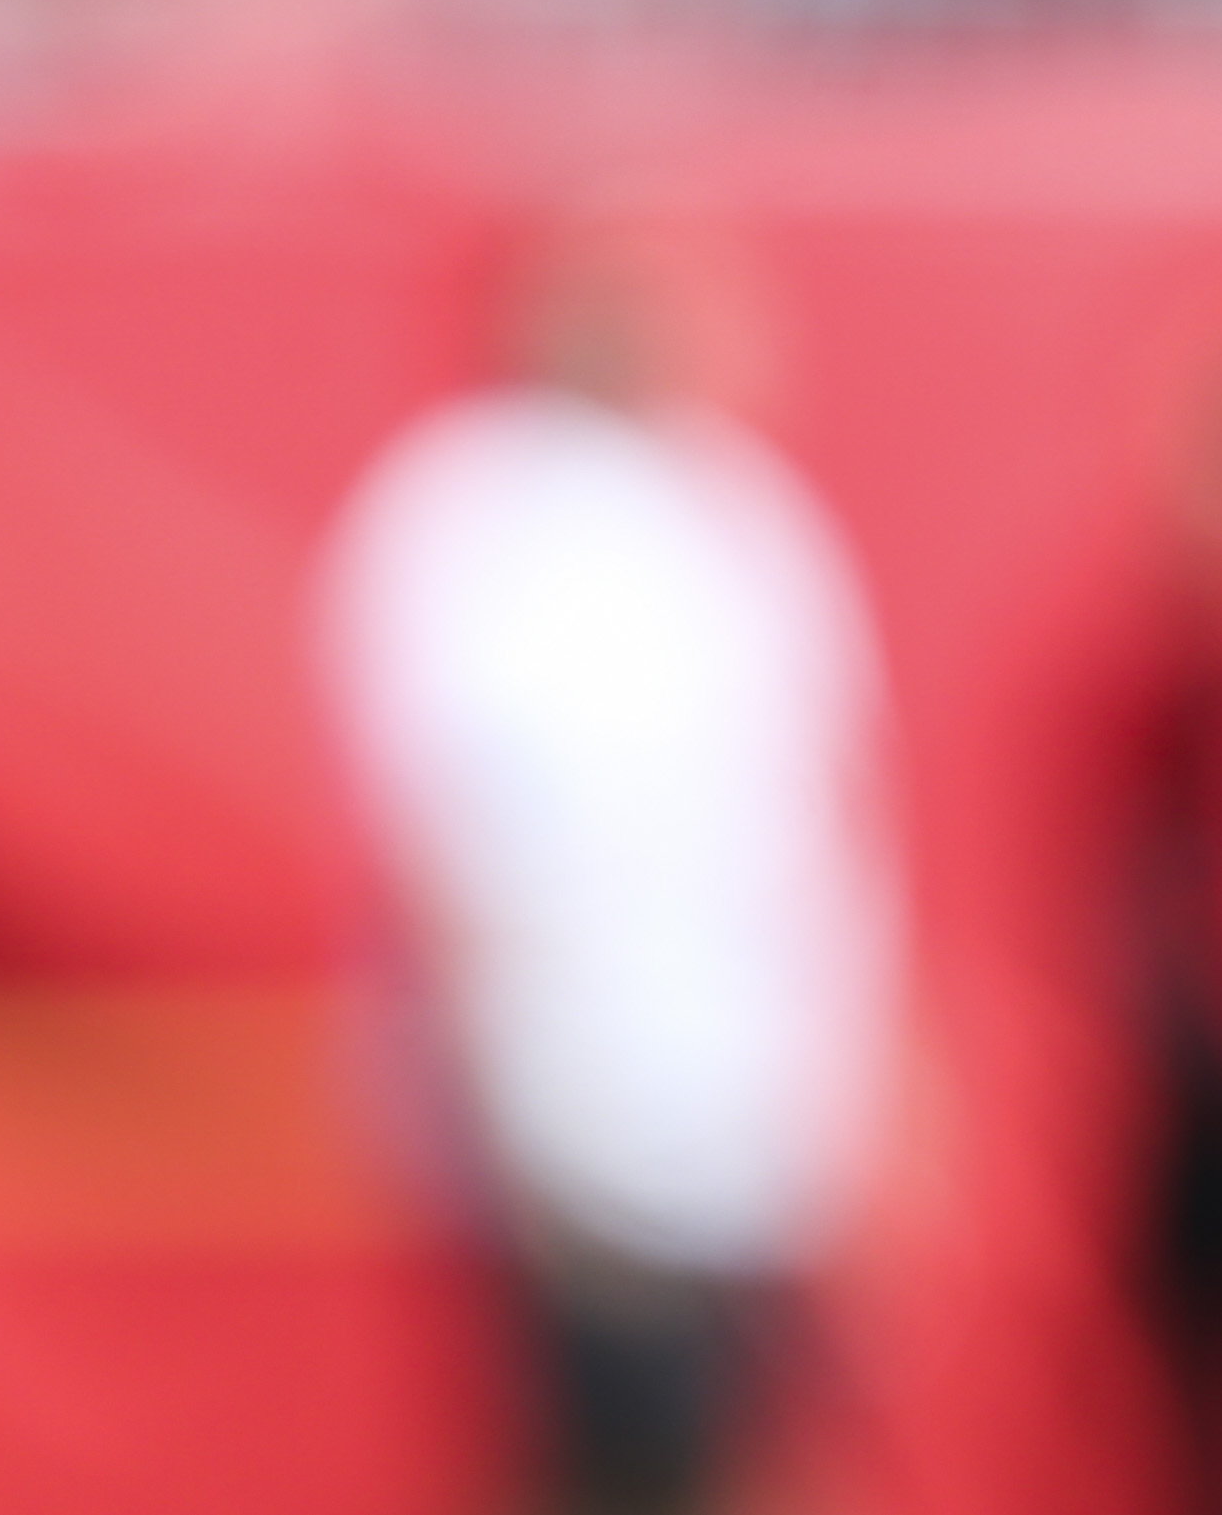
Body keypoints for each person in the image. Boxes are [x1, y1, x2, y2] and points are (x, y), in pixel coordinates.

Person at [322, 206, 902, 1515]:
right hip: (577, 1105)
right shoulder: (476, 514)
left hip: (744, 1114)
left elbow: (821, 822)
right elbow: (449, 837)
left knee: (736, 1447)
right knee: (603, 1449)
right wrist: (502, 1101)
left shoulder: (739, 513)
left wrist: (860, 1095)